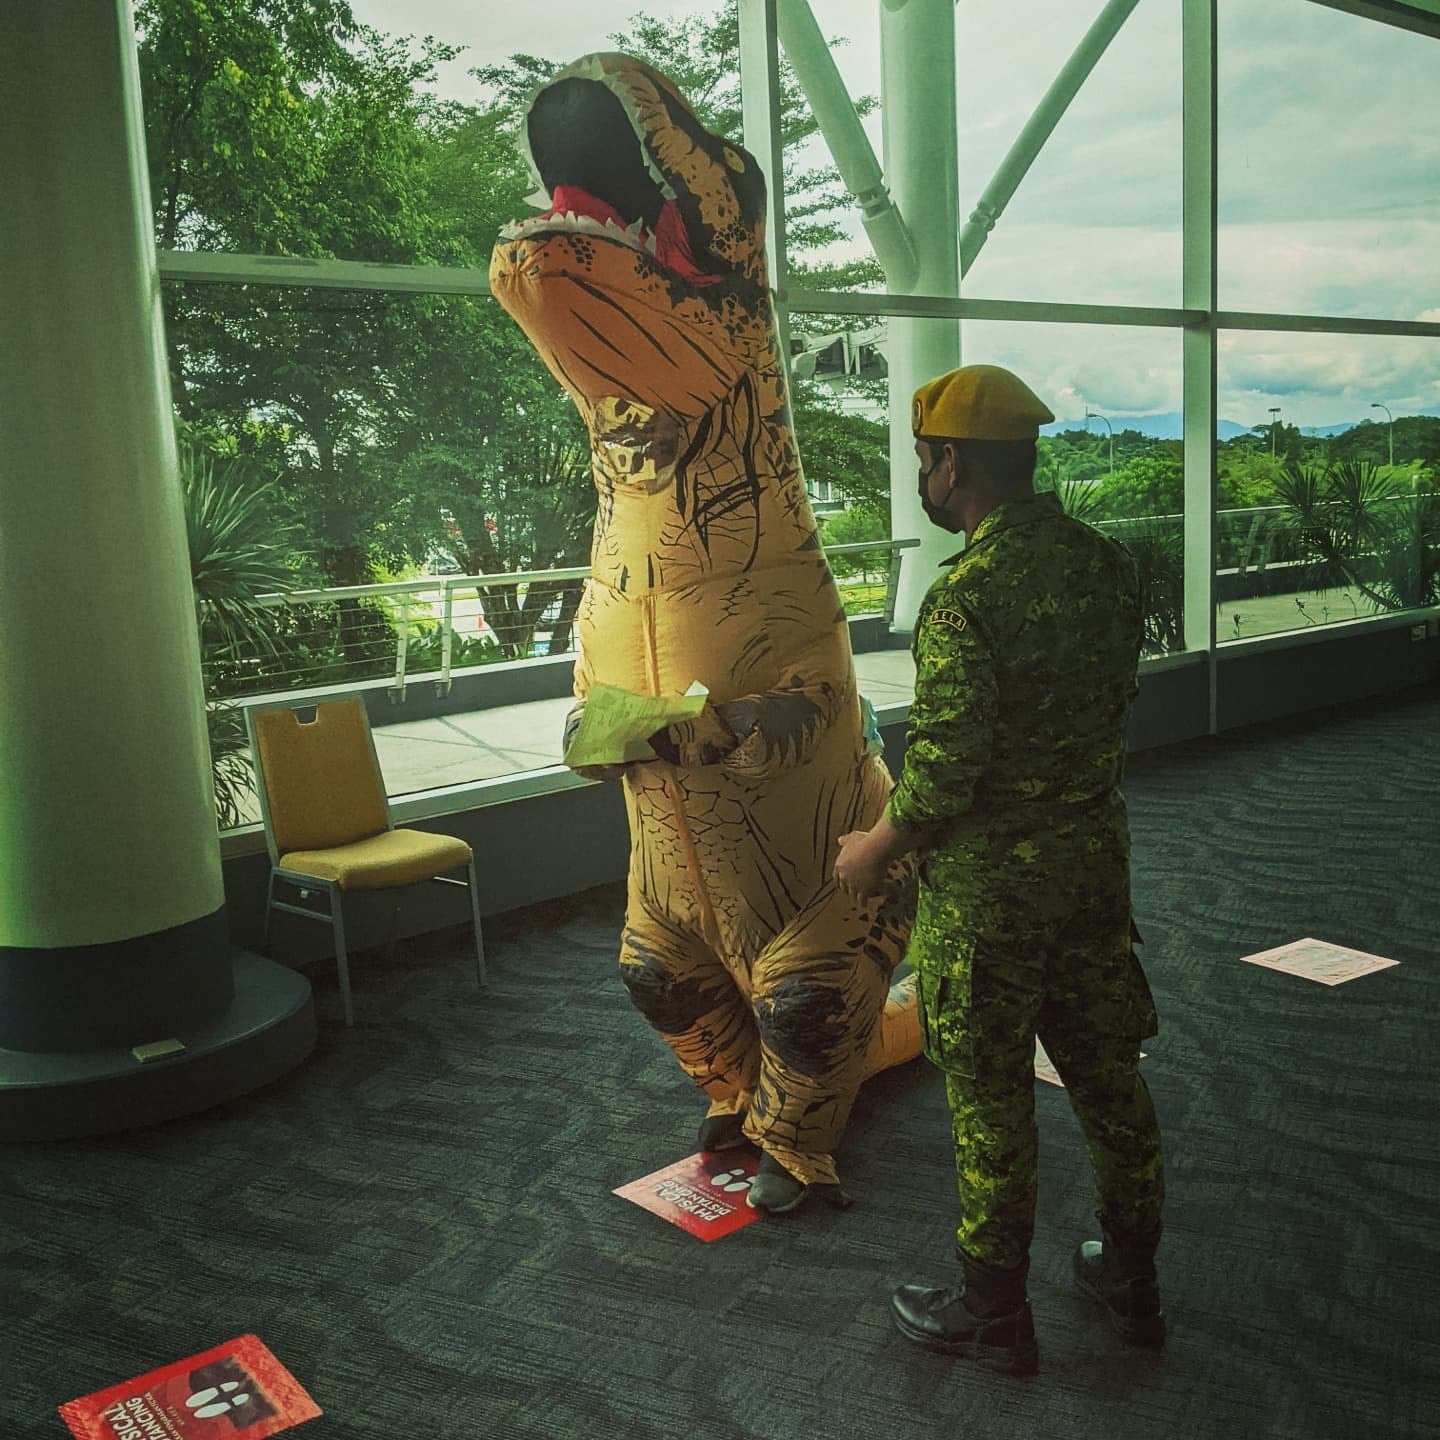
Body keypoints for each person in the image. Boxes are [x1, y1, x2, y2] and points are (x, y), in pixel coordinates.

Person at [833, 364, 1166, 1376]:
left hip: (991, 900)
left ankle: (992, 1311)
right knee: (1108, 1076)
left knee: (988, 1098)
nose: (922, 481)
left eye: (925, 461)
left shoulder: (966, 594)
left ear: (954, 464)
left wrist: (873, 849)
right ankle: (1131, 1277)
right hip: (1091, 872)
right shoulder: (1106, 565)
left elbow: (944, 773)